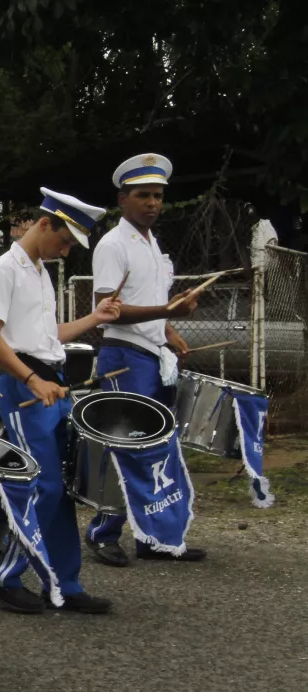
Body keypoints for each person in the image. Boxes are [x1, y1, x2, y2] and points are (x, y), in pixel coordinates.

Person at [0, 189, 122, 615]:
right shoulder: (4, 270)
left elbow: (46, 337)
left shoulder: (40, 270)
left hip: (49, 381)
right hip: (24, 385)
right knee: (41, 485)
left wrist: (95, 319)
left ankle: (63, 582)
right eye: (65, 240)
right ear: (45, 223)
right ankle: (1, 574)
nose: (67, 249)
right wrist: (31, 378)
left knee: (64, 489)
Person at [84, 153, 205, 567]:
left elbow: (152, 304)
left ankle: (154, 536)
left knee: (158, 447)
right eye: (143, 196)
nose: (152, 203)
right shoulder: (113, 245)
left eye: (157, 196)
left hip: (152, 357)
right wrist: (168, 314)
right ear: (123, 199)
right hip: (123, 357)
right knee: (123, 446)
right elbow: (107, 311)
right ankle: (103, 532)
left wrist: (170, 333)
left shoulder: (153, 245)